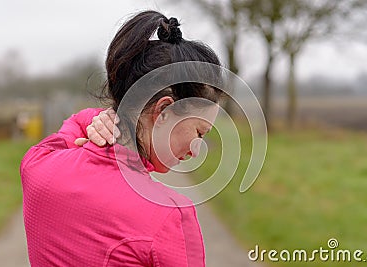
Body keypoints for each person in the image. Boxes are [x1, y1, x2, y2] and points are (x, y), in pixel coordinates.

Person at [20, 10, 224, 266]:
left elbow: (69, 128)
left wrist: (98, 118)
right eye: (199, 132)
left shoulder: (38, 167)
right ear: (163, 111)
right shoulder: (170, 216)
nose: (196, 149)